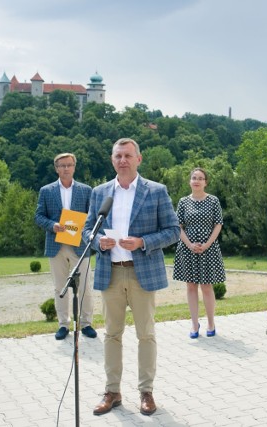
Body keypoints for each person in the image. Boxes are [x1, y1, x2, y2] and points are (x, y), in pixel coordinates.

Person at [83, 138, 180, 416]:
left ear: (139, 158)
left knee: (146, 335)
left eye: (128, 155)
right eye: (118, 156)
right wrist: (98, 240)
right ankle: (112, 391)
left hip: (142, 274)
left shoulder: (156, 191)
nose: (122, 160)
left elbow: (173, 230)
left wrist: (143, 242)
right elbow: (88, 230)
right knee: (112, 334)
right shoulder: (100, 192)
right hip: (110, 273)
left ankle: (146, 392)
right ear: (112, 160)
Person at [34, 153, 96, 340]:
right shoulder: (46, 191)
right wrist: (52, 225)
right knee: (60, 286)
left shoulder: (86, 190)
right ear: (56, 168)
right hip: (56, 245)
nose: (66, 168)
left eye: (69, 165)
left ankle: (86, 324)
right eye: (62, 165)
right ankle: (63, 325)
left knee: (85, 285)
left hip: (80, 245)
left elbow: (92, 217)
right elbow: (38, 216)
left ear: (74, 167)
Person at [172, 168, 226, 339]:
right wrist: (189, 244)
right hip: (187, 248)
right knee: (191, 286)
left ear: (206, 182)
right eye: (194, 178)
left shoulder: (213, 201)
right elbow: (178, 226)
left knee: (207, 287)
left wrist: (206, 244)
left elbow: (218, 224)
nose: (196, 181)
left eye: (200, 178)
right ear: (190, 181)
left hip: (208, 248)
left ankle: (211, 322)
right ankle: (194, 324)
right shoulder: (183, 202)